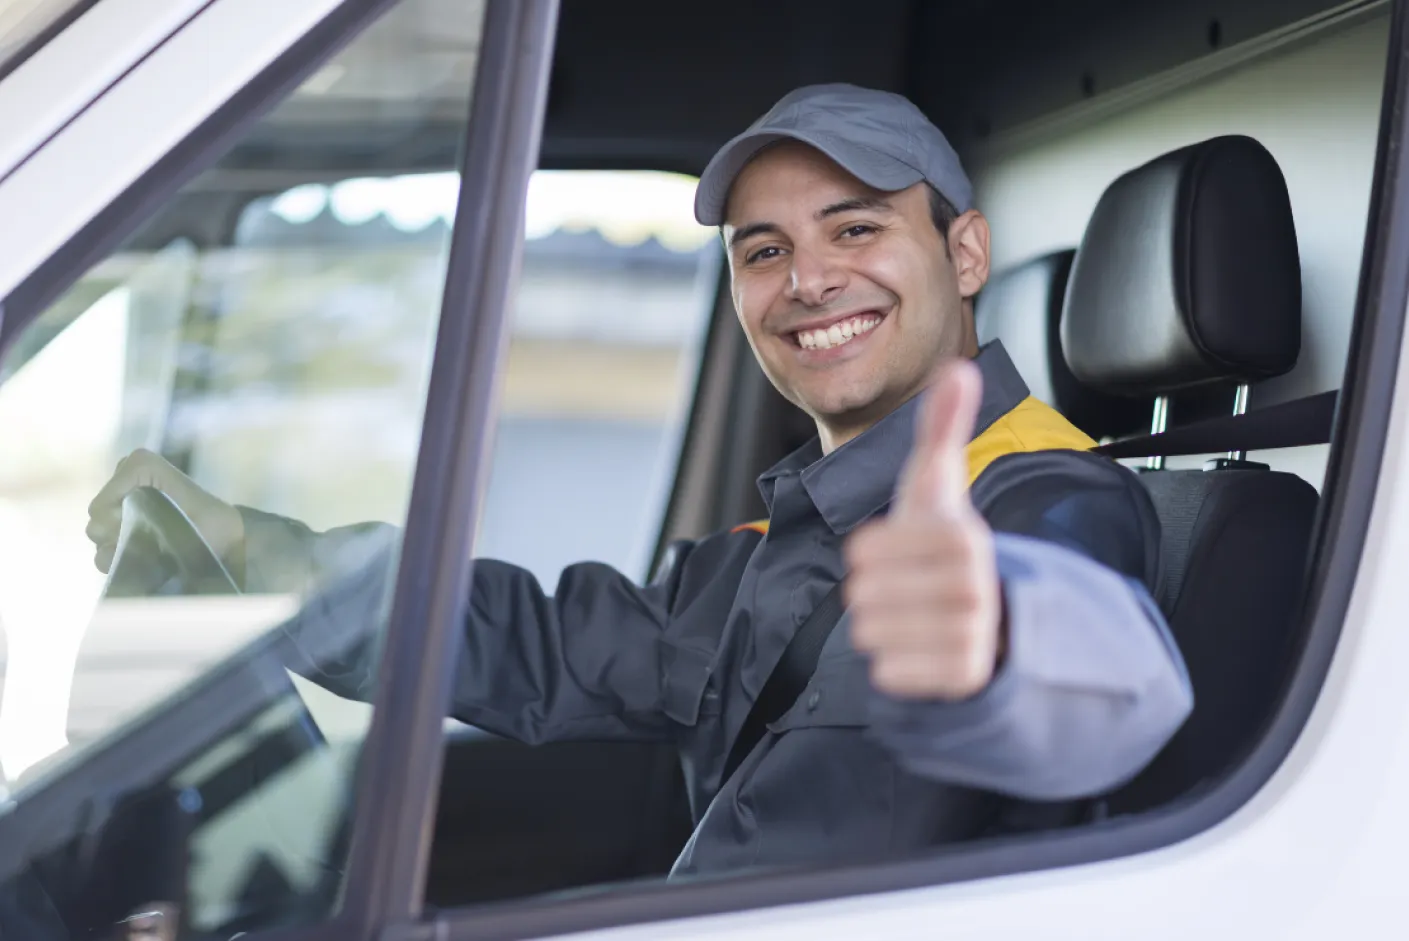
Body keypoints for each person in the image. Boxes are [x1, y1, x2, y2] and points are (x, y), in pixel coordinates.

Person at [86, 84, 1192, 876]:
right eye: (762, 251)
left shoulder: (1038, 496)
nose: (807, 278)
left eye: (854, 228)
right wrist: (261, 552)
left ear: (963, 255)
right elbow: (543, 642)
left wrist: (998, 643)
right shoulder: (790, 535)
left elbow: (1095, 674)